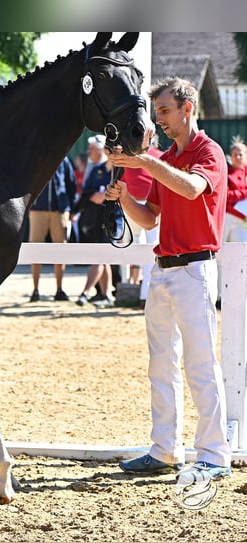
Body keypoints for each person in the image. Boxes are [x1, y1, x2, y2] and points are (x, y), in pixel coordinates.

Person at [106, 77, 231, 480]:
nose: (158, 119)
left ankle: (214, 455)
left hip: (195, 269)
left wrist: (147, 162)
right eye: (157, 111)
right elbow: (149, 217)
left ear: (187, 108)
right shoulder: (171, 156)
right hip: (164, 269)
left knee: (200, 365)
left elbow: (194, 189)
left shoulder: (208, 152)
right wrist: (125, 196)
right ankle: (165, 450)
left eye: (164, 111)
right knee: (161, 365)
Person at [120, 134, 164, 306]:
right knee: (150, 252)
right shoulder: (160, 156)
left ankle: (139, 290)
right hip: (148, 207)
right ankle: (144, 294)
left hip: (134, 205)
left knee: (133, 250)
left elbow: (121, 180)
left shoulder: (129, 156)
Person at [28, 156, 77, 302]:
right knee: (35, 249)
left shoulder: (64, 160)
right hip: (37, 210)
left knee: (60, 250)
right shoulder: (37, 158)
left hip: (60, 210)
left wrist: (71, 208)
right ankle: (35, 289)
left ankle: (59, 289)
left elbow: (71, 184)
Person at [72, 154, 113, 307]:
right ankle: (107, 294)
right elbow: (86, 190)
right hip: (95, 218)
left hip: (112, 220)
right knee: (103, 258)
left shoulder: (122, 169)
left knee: (100, 257)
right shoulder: (97, 169)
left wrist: (106, 195)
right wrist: (95, 195)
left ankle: (86, 292)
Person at [216, 136, 247, 305]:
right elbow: (225, 195)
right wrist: (243, 193)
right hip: (226, 217)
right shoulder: (226, 172)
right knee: (220, 258)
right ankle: (219, 296)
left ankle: (240, 294)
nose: (238, 157)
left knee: (241, 255)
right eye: (235, 154)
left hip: (241, 221)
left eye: (241, 154)